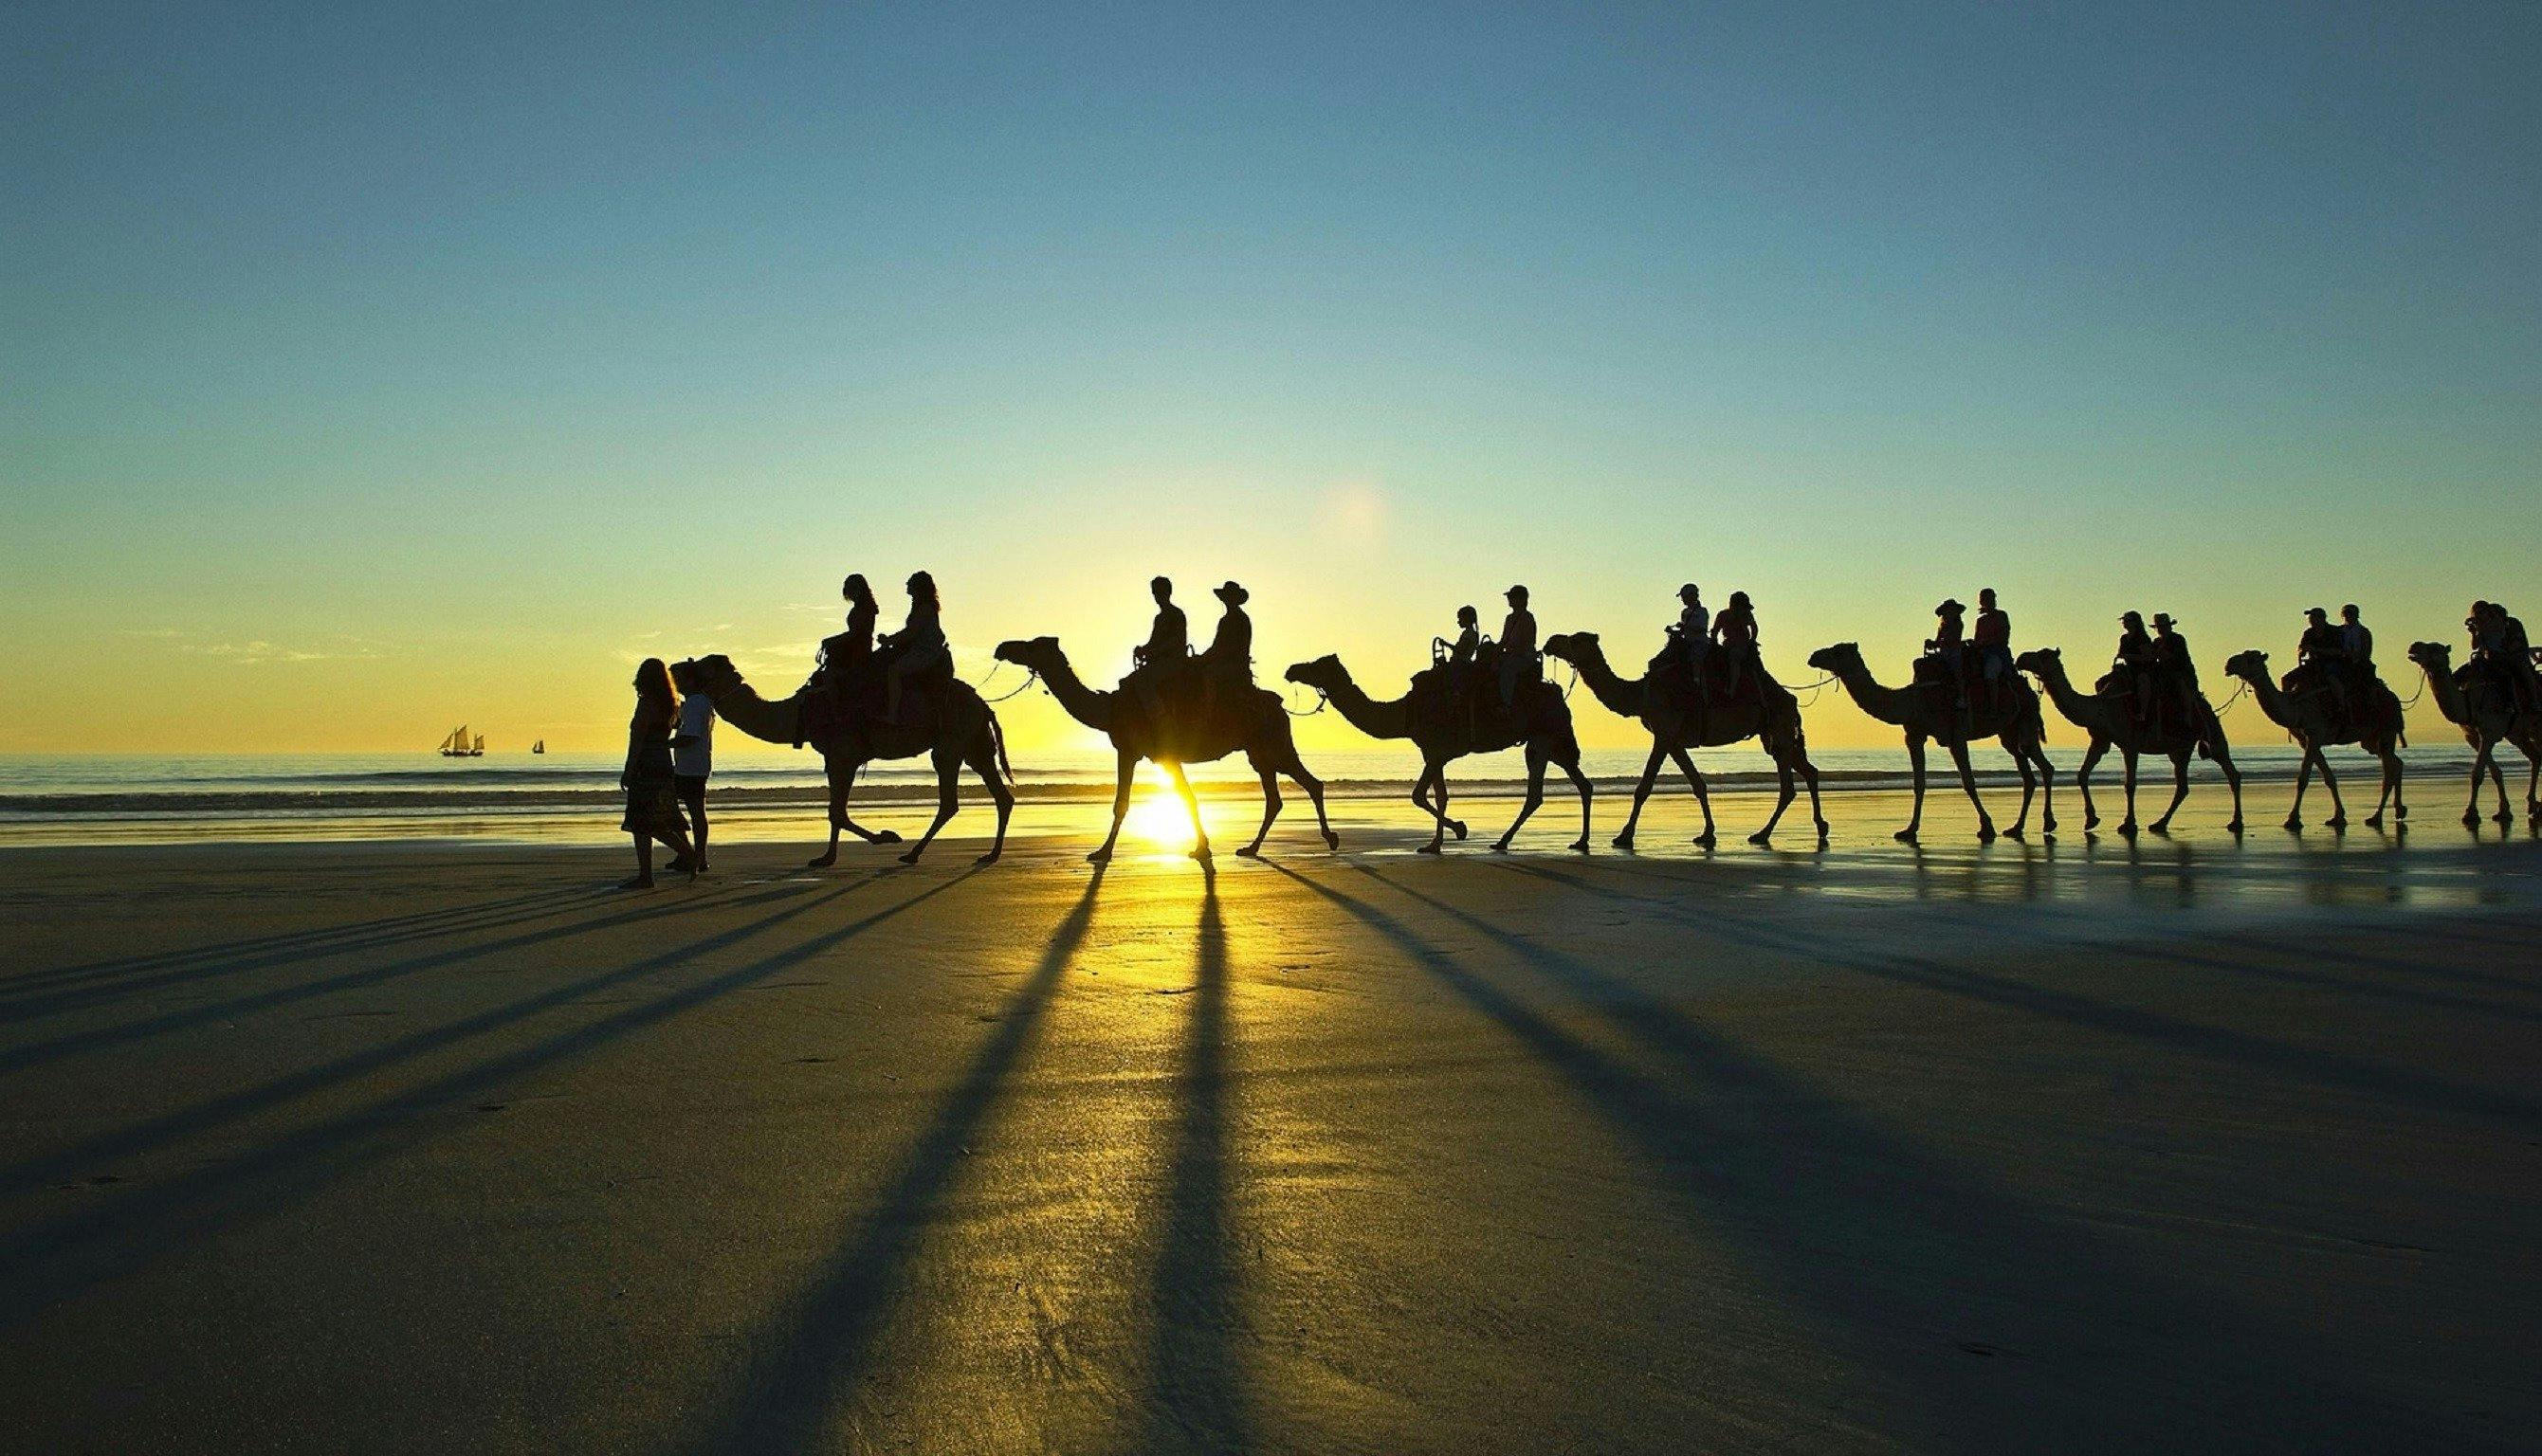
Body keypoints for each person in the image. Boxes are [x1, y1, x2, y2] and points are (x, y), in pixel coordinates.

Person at [619, 659, 697, 889]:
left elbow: (637, 740)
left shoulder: (646, 704)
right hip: (663, 764)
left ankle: (681, 857)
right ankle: (650, 872)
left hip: (646, 765)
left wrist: (628, 769)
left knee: (642, 821)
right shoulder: (671, 704)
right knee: (657, 819)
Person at [881, 571, 950, 723]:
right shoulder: (921, 606)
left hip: (925, 653)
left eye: (910, 582)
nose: (907, 584)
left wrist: (888, 641)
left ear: (918, 587)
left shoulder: (924, 608)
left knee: (894, 671)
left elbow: (911, 633)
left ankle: (892, 714)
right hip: (919, 650)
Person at [669, 662, 718, 872]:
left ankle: (697, 856)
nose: (676, 682)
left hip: (692, 766)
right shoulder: (694, 703)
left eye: (678, 678)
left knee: (694, 811)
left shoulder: (698, 702)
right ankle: (690, 854)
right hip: (690, 765)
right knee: (687, 810)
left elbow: (689, 736)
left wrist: (660, 744)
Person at [1128, 576, 1190, 719]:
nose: (1157, 596)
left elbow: (1176, 641)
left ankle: (1159, 718)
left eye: (1160, 592)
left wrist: (1155, 652)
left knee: (1142, 681)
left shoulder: (1177, 614)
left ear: (1168, 593)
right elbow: (1153, 642)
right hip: (1159, 662)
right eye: (1155, 593)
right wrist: (1143, 649)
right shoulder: (1159, 618)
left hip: (1173, 662)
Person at [1198, 580, 1253, 717]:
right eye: (1227, 597)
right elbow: (1216, 646)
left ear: (1235, 599)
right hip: (1224, 663)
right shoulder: (1225, 620)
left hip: (1235, 666)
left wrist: (1204, 659)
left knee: (1209, 675)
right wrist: (1201, 659)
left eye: (1230, 596)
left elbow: (1226, 649)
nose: (1228, 600)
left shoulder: (1241, 619)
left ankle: (1208, 713)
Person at [2296, 606, 2352, 721]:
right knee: (2288, 679)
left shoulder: (2334, 632)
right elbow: (2301, 648)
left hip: (2332, 664)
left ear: (2322, 618)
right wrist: (2303, 650)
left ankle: (2342, 706)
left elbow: (2339, 651)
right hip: (2313, 665)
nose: (2311, 620)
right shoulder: (2309, 633)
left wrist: (2316, 650)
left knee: (2331, 678)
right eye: (2310, 618)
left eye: (2314, 617)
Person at [2149, 612, 2200, 731]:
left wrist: (2158, 655)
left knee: (2182, 688)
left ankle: (2188, 717)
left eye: (2163, 626)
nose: (2161, 629)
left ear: (2169, 627)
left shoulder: (2178, 639)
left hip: (2181, 672)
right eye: (2159, 627)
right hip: (2163, 674)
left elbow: (2175, 658)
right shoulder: (2156, 642)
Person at [1497, 585, 1539, 710]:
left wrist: (1513, 652)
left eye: (1512, 597)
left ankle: (1506, 703)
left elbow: (1527, 642)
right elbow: (1503, 640)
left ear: (1521, 599)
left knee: (1508, 669)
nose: (1509, 599)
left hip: (1524, 657)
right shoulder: (1509, 618)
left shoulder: (1527, 618)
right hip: (1510, 654)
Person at [1711, 590, 1758, 699]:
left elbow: (1754, 628)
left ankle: (1732, 689)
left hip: (1742, 646)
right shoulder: (1723, 615)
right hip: (1726, 645)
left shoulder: (1746, 615)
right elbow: (1715, 631)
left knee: (1734, 658)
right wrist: (1713, 641)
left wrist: (1752, 640)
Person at [1972, 588, 2012, 711]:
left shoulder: (2001, 616)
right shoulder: (1981, 621)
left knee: (1990, 673)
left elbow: (2003, 637)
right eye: (1987, 599)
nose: (1991, 601)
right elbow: (1977, 639)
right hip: (1981, 653)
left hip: (1997, 653)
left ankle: (1994, 707)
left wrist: (1987, 643)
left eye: (1992, 598)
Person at [2114, 610, 2156, 724]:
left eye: (2127, 621)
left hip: (2142, 669)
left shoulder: (2142, 638)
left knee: (2143, 682)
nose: (2124, 623)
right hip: (2128, 669)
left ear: (2135, 623)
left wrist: (2130, 657)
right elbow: (2121, 654)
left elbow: (2148, 658)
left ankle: (2143, 713)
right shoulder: (2124, 638)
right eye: (2124, 621)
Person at [1670, 583, 1710, 695]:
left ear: (1692, 596)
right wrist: (1673, 631)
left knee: (1696, 657)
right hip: (1687, 642)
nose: (1682, 599)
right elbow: (1684, 631)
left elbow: (1702, 628)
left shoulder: (1702, 611)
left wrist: (1685, 627)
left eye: (1684, 597)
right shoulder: (1684, 612)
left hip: (1699, 642)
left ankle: (1696, 681)